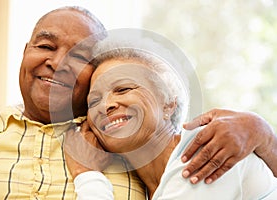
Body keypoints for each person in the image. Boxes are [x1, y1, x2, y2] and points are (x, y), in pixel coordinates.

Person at [0, 5, 275, 200]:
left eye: (123, 88)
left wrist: (262, 131)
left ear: (169, 103)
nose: (58, 63)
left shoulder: (197, 151)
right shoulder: (108, 140)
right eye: (45, 46)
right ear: (25, 51)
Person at [68, 37, 277, 199]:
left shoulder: (205, 151)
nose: (106, 106)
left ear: (168, 103)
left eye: (123, 88)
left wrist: (87, 175)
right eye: (93, 101)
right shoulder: (151, 188)